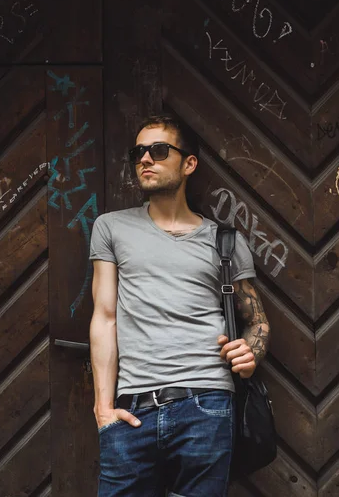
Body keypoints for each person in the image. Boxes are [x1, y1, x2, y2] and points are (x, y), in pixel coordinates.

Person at [89, 115, 270, 497]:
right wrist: (103, 410)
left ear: (188, 164)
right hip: (131, 410)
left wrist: (249, 352)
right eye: (139, 152)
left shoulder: (224, 241)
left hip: (206, 404)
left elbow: (257, 323)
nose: (145, 159)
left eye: (158, 150)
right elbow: (104, 319)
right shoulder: (111, 228)